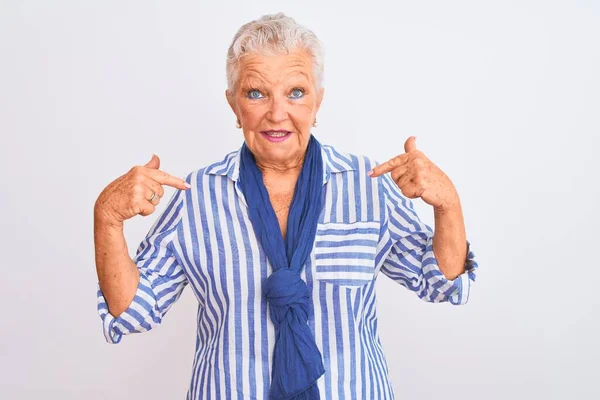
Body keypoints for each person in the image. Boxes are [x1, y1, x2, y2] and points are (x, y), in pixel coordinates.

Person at [93, 12, 478, 400]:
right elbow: (132, 310)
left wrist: (448, 204)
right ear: (233, 104)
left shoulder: (369, 184)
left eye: (296, 92)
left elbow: (442, 282)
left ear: (318, 101)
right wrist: (107, 218)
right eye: (256, 93)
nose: (277, 113)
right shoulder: (198, 196)